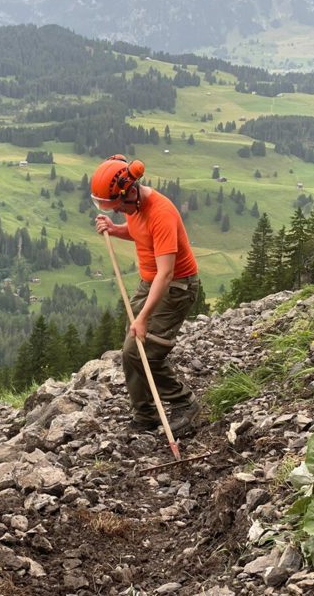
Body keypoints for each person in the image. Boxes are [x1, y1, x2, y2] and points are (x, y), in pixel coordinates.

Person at [91, 154, 200, 436]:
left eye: (116, 207)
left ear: (129, 193)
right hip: (150, 282)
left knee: (145, 352)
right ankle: (146, 414)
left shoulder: (160, 212)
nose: (116, 211)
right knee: (131, 351)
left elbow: (166, 274)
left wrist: (142, 317)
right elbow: (141, 232)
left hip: (176, 287)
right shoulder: (134, 209)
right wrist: (116, 231)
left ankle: (184, 403)